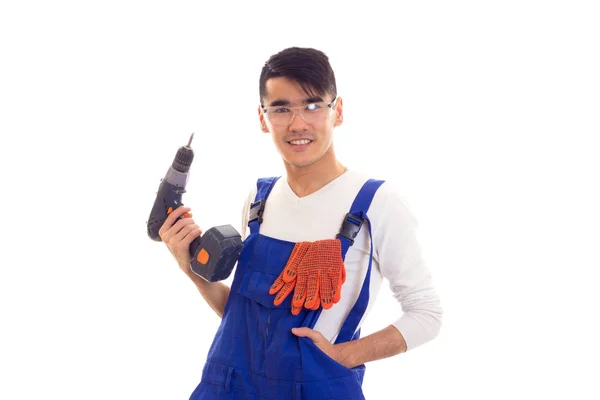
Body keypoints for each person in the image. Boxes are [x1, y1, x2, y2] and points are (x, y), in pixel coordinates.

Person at [159, 47, 443, 400]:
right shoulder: (258, 200)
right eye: (281, 108)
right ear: (263, 119)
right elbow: (246, 320)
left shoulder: (376, 204)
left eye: (312, 105)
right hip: (228, 387)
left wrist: (341, 356)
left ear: (336, 111)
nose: (297, 124)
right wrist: (192, 269)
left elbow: (426, 314)